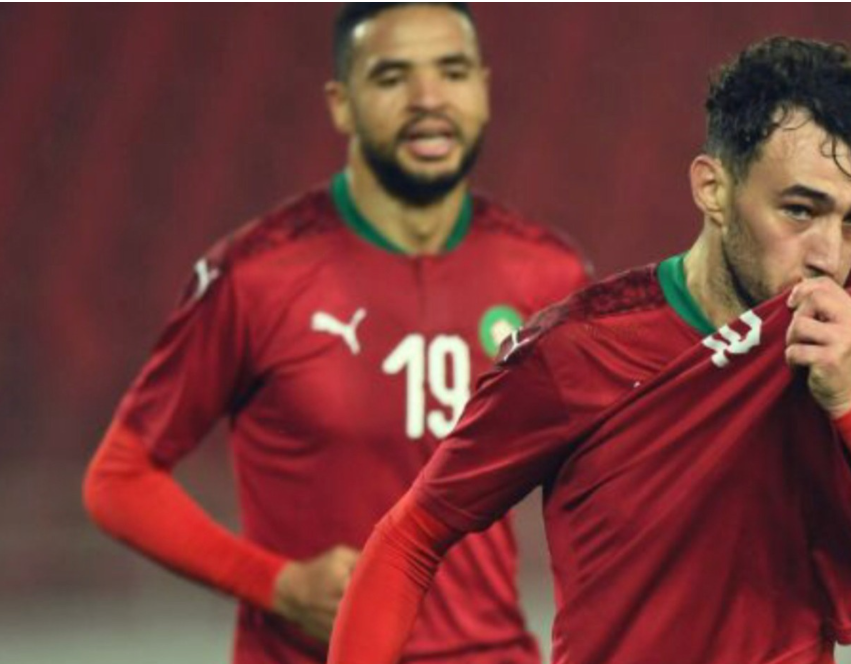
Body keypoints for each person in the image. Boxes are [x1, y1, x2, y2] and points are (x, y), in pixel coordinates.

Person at [328, 36, 851, 664]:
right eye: (799, 211)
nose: (828, 255)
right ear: (713, 188)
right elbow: (410, 540)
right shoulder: (577, 352)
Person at [83, 4, 589, 664]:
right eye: (392, 77)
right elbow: (119, 479)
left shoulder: (550, 274)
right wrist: (280, 586)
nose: (428, 99)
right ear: (341, 104)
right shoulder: (257, 276)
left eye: (452, 71)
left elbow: (612, 485)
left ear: (484, 90)